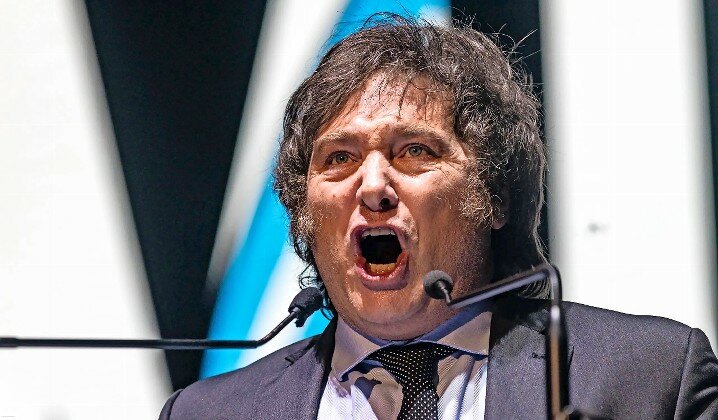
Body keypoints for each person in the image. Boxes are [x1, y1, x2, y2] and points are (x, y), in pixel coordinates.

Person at [159, 15, 718, 419]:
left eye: (414, 151)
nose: (372, 186)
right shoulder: (207, 413)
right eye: (339, 158)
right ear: (304, 211)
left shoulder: (647, 379)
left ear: (493, 195)